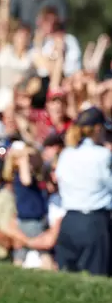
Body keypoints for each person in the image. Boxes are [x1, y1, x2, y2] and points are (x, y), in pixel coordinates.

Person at [55, 107, 112, 275]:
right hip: (94, 222)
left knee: (67, 278)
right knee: (97, 278)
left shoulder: (66, 154)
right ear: (98, 128)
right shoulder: (102, 155)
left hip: (69, 221)